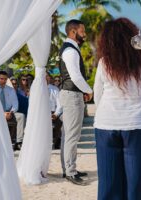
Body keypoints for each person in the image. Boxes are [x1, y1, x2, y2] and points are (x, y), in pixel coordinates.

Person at [94, 18, 141, 200]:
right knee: (137, 183)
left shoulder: (104, 63)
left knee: (108, 182)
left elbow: (98, 96)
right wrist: (139, 113)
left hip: (106, 124)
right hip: (137, 125)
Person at [59, 19, 93, 185]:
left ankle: (68, 169)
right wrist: (88, 90)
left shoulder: (70, 49)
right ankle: (70, 172)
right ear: (73, 32)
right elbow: (76, 76)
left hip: (70, 94)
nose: (84, 33)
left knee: (68, 135)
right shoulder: (70, 51)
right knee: (71, 136)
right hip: (72, 95)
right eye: (82, 30)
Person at [0, 71, 25, 150]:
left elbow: (15, 104)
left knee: (21, 116)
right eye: (1, 79)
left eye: (5, 79)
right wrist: (1, 113)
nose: (3, 81)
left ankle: (19, 141)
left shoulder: (11, 90)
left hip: (9, 112)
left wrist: (11, 112)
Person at [46, 72, 63, 149]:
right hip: (40, 113)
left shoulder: (55, 89)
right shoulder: (35, 89)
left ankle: (57, 141)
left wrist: (56, 114)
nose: (45, 78)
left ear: (49, 78)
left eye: (47, 76)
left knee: (60, 121)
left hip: (53, 112)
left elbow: (59, 104)